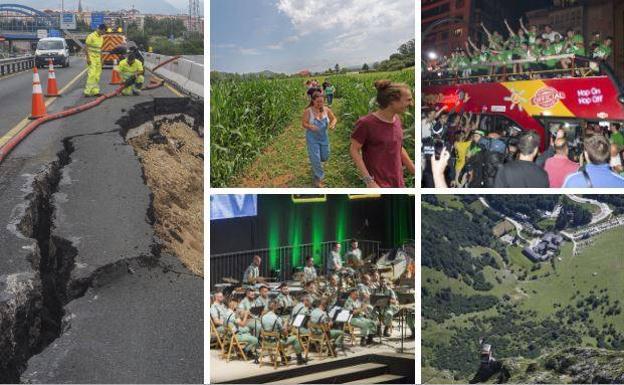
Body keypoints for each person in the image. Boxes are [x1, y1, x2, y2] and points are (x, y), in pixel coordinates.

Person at [351, 80, 415, 188]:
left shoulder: (397, 119)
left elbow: (398, 147)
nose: (411, 104)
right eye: (408, 100)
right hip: (379, 185)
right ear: (392, 101)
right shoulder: (366, 123)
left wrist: (414, 170)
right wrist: (369, 181)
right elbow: (354, 149)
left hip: (398, 182)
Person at [302, 92, 337, 188]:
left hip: (324, 138)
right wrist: (310, 126)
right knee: (316, 158)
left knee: (325, 157)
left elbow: (334, 118)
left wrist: (332, 124)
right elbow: (304, 123)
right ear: (313, 101)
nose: (320, 104)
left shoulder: (326, 110)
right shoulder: (308, 111)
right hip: (312, 139)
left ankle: (316, 165)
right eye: (318, 102)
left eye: (322, 102)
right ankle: (318, 177)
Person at [260, 300, 307, 365]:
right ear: (274, 307)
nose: (278, 308)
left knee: (279, 337)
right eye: (277, 306)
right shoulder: (276, 318)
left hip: (266, 342)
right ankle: (300, 359)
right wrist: (285, 324)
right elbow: (285, 333)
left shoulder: (263, 317)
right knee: (295, 339)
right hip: (276, 343)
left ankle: (283, 357)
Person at [83, 24, 107, 97]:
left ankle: (95, 91)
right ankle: (87, 91)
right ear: (101, 29)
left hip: (98, 58)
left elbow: (100, 49)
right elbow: (86, 47)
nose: (104, 33)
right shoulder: (91, 36)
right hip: (91, 58)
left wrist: (102, 59)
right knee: (92, 74)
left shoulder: (101, 38)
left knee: (97, 75)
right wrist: (88, 58)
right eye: (104, 31)